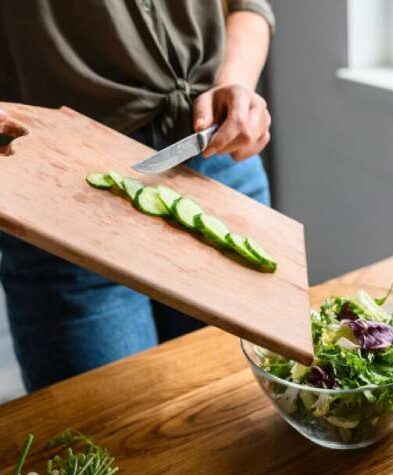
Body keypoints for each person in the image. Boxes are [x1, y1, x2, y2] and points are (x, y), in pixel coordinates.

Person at [0, 0, 274, 391]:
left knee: (246, 410)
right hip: (61, 185)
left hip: (215, 152)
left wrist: (238, 83)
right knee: (110, 435)